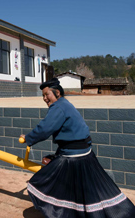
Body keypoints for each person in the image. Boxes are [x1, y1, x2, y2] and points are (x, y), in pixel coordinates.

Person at [20, 78, 135, 218]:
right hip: (84, 151)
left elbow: (44, 129)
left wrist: (28, 138)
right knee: (91, 189)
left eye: (47, 94)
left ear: (57, 93)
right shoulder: (65, 104)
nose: (45, 98)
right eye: (43, 96)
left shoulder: (58, 107)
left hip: (74, 155)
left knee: (40, 182)